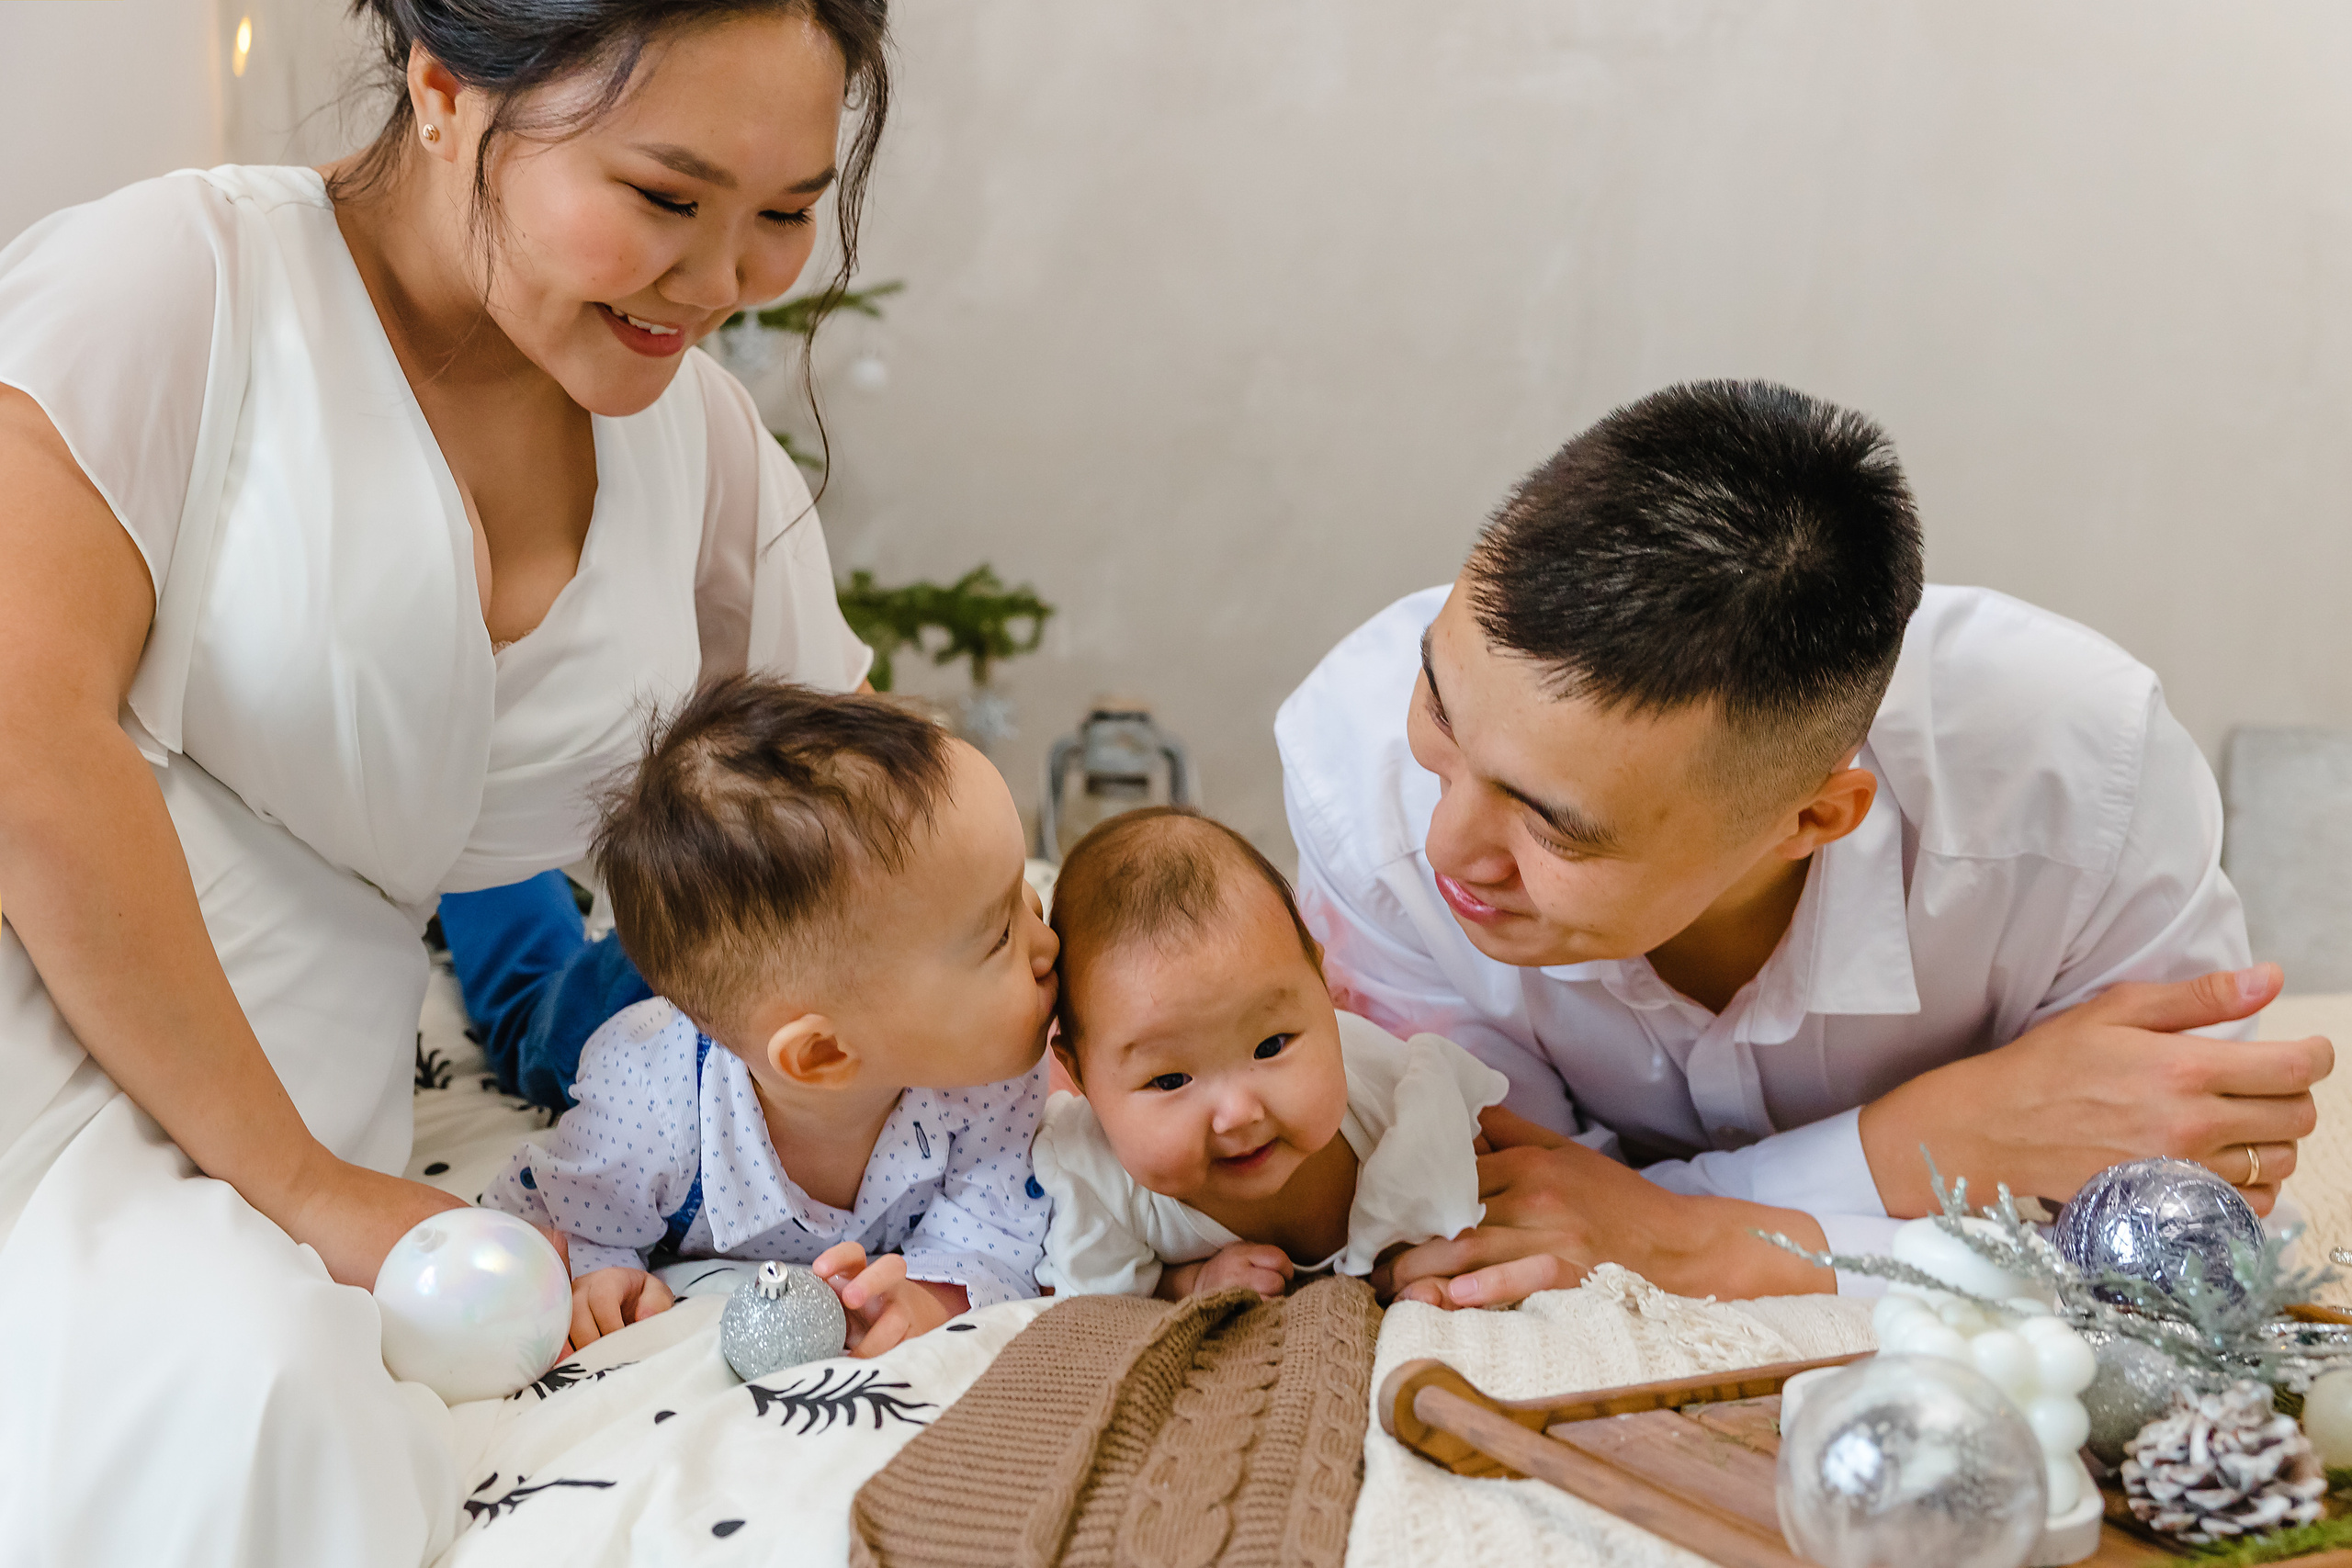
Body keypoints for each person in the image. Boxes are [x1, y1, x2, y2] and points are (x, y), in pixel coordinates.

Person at [0, 3, 892, 1562]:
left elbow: (879, 829)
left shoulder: (701, 445)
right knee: (239, 1393)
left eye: (788, 216)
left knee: (270, 1389)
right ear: (443, 91)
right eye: (667, 199)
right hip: (61, 996)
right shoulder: (176, 285)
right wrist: (308, 1186)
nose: (724, 280)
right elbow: (24, 743)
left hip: (313, 1074)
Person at [1275, 379, 2334, 1307]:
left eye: (1551, 822)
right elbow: (1482, 1208)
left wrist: (1710, 1234)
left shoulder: (2079, 787)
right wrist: (1935, 1151)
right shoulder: (1352, 775)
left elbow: (2178, 1253)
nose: (1447, 845)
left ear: (1813, 819)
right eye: (1442, 716)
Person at [485, 678, 1058, 1354]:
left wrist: (930, 1294)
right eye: (1000, 935)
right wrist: (598, 1274)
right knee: (527, 1007)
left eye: (1026, 894)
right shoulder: (647, 1112)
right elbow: (563, 1214)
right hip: (612, 1010)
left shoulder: (986, 1073)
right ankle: (490, 868)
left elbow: (992, 1228)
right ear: (823, 1054)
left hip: (739, 995)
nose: (1047, 943)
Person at [1031, 807, 1508, 1300]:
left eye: (1270, 1047)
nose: (1237, 1114)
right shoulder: (1097, 1181)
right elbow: (1099, 1302)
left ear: (1322, 992)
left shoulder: (1388, 1085)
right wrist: (1192, 1282)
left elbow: (1480, 1153)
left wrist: (1442, 1244)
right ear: (1082, 1076)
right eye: (1171, 1080)